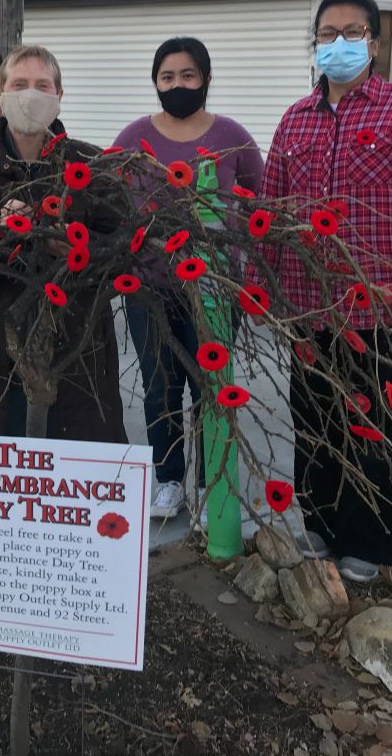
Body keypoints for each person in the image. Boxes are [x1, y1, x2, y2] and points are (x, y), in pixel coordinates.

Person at [251, 0, 392, 581]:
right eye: (327, 33)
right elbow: (272, 213)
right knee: (315, 422)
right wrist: (264, 291)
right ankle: (320, 524)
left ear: (374, 41)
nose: (339, 43)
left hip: (385, 316)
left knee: (383, 430)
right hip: (311, 314)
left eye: (352, 31)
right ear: (315, 43)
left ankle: (376, 541)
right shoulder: (294, 119)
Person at [0, 45, 127, 443]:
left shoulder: (91, 166)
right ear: (0, 94)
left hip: (73, 332)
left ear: (59, 95)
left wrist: (74, 250)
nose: (31, 94)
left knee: (69, 448)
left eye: (42, 85)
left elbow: (121, 249)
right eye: (19, 84)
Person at [112, 37, 264, 525]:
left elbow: (258, 204)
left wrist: (244, 258)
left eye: (188, 76)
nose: (178, 85)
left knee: (209, 388)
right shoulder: (133, 138)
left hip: (216, 290)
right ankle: (170, 479)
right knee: (159, 387)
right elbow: (107, 201)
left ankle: (209, 486)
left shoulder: (232, 138)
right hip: (148, 288)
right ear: (155, 83)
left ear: (206, 80)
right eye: (167, 77)